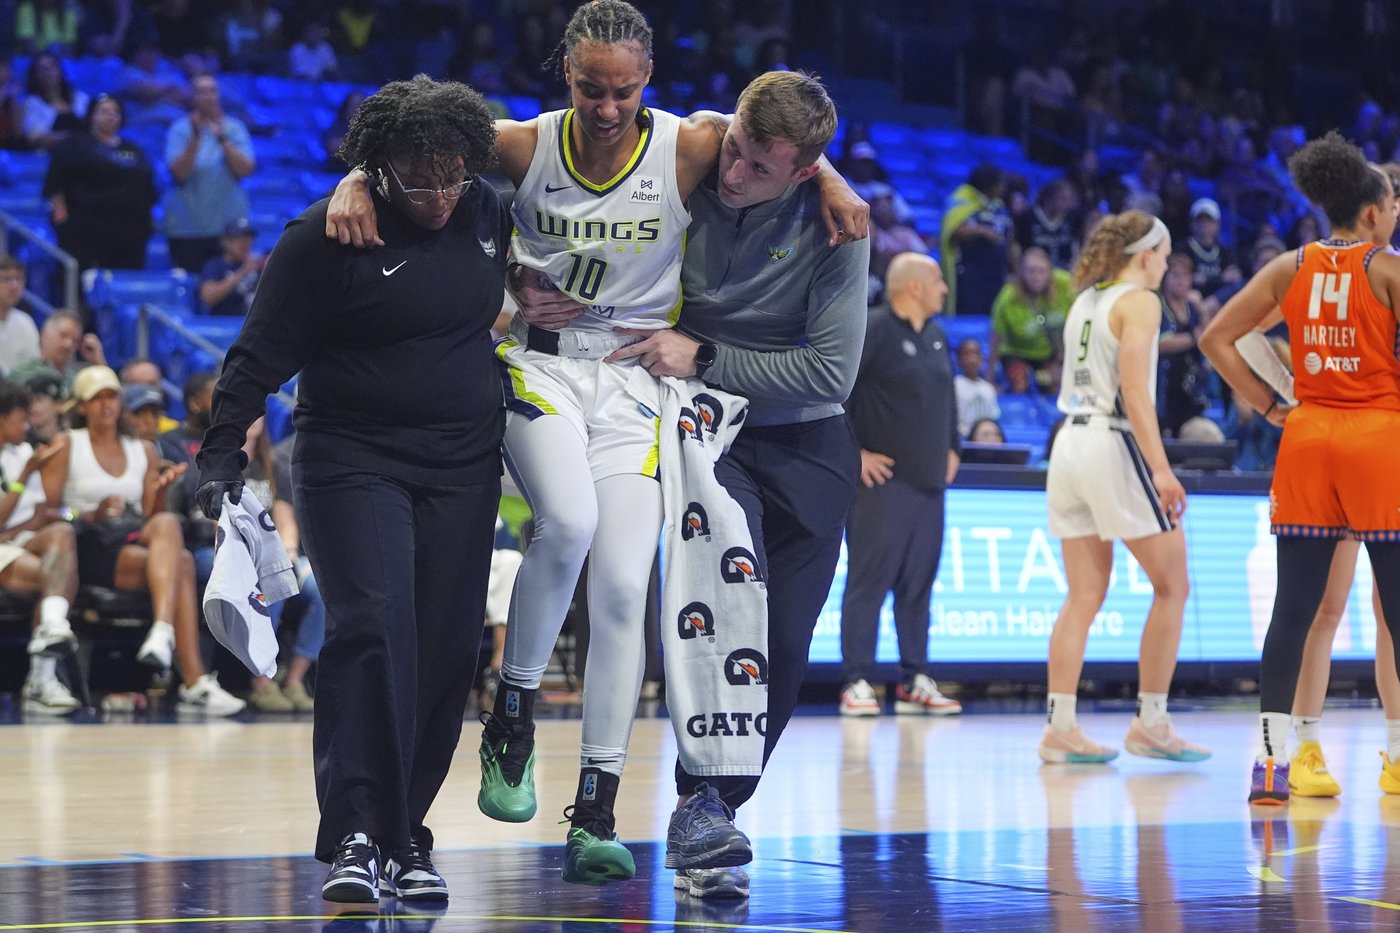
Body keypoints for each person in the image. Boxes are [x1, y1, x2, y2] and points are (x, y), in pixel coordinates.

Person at [324, 6, 866, 892]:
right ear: (563, 73)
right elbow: (410, 134)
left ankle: (599, 808)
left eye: (624, 90)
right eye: (590, 88)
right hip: (541, 370)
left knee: (625, 581)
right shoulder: (523, 143)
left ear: (647, 80)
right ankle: (513, 711)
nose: (608, 106)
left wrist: (832, 180)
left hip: (638, 382)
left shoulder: (694, 144)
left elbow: (773, 137)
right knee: (567, 523)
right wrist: (355, 179)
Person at [519, 71, 868, 899]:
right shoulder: (698, 163)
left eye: (760, 167)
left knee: (783, 650)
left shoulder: (837, 225)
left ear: (802, 170)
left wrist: (703, 352)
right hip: (712, 435)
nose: (734, 173)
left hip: (811, 443)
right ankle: (705, 809)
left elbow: (831, 372)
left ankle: (709, 808)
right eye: (737, 150)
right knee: (724, 613)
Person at [195, 76, 508, 903]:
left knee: (446, 650)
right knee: (374, 628)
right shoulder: (327, 236)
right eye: (420, 176)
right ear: (378, 166)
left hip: (464, 463)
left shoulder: (485, 210)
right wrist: (220, 451)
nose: (440, 192)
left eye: (455, 173)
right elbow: (255, 355)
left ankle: (409, 833)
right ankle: (358, 833)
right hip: (353, 458)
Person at [1199, 131, 1400, 805]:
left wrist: (1266, 401)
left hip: (1308, 438)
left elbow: (1215, 336)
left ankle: (1269, 763)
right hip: (1378, 437)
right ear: (1371, 212)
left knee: (1294, 610)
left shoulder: (1290, 266)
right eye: (1393, 206)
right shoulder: (1388, 267)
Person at [1039, 210, 1210, 765]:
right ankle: (1152, 722)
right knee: (1174, 585)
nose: (1166, 266)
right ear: (1145, 254)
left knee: (1082, 595)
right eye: (1163, 256)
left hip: (1067, 445)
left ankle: (1060, 728)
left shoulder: (1086, 300)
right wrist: (1161, 468)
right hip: (1112, 442)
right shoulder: (1141, 301)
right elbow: (1137, 394)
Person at [37, 365, 243, 716]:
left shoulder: (143, 450)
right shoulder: (68, 444)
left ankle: (163, 636)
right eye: (97, 398)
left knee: (170, 537)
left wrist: (160, 494)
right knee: (180, 563)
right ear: (81, 406)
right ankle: (191, 680)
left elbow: (151, 518)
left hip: (131, 544)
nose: (106, 405)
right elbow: (46, 513)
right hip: (85, 547)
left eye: (112, 397)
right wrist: (88, 515)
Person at [838, 253, 963, 719]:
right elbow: (837, 392)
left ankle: (915, 679)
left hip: (930, 484)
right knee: (868, 583)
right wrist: (855, 454)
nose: (944, 289)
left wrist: (954, 448)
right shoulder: (873, 328)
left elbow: (947, 399)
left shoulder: (935, 337)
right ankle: (857, 680)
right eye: (937, 280)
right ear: (912, 286)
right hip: (883, 484)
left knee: (919, 587)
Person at [0, 378, 80, 715]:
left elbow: (44, 511)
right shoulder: (24, 460)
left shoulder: (24, 451)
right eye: (21, 418)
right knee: (58, 577)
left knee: (62, 533)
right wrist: (26, 475)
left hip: (21, 539)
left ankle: (52, 626)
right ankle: (41, 679)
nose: (28, 425)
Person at [43, 93, 158, 273]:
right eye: (104, 111)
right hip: (85, 231)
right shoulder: (74, 146)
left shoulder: (132, 150)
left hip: (129, 232)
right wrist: (62, 220)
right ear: (91, 115)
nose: (110, 116)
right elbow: (55, 186)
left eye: (115, 112)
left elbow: (146, 187)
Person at [163, 74, 255, 274]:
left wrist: (222, 139)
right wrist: (196, 137)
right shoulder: (179, 129)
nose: (207, 96)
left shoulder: (234, 128)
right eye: (201, 91)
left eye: (211, 90)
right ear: (193, 97)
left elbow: (245, 170)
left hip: (228, 229)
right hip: (187, 228)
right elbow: (179, 173)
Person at [990, 247, 1073, 393]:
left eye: (1042, 271)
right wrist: (989, 381)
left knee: (1054, 381)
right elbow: (996, 338)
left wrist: (1063, 358)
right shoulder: (1008, 298)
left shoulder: (1065, 284)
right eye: (1031, 271)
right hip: (1017, 353)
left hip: (1049, 353)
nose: (1036, 277)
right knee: (1020, 381)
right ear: (1021, 272)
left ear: (1050, 272)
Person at [940, 164, 1013, 316]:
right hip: (969, 273)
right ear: (988, 185)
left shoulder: (999, 205)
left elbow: (1009, 234)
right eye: (1000, 183)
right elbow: (952, 231)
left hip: (995, 271)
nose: (1003, 188)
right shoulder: (962, 199)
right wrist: (982, 231)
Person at [8, 309, 103, 393]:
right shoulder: (23, 372)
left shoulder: (75, 380)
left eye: (75, 340)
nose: (68, 344)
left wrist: (98, 362)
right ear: (43, 335)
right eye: (63, 335)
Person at [20, 52, 88, 150]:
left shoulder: (80, 97)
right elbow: (35, 139)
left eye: (53, 67)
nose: (49, 72)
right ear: (34, 75)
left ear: (60, 70)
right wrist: (74, 137)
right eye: (43, 69)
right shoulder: (31, 104)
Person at [196, 218, 263, 316]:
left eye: (248, 237)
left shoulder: (258, 265)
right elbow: (208, 298)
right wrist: (242, 273)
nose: (244, 243)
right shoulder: (215, 265)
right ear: (226, 241)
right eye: (238, 238)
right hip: (224, 324)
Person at [953, 337, 1000, 437]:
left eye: (976, 353)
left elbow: (993, 419)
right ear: (958, 359)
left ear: (981, 358)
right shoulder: (953, 386)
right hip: (961, 440)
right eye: (967, 354)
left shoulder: (988, 388)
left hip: (985, 442)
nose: (972, 359)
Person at [0, 257, 39, 377]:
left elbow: (35, 369)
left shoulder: (25, 322)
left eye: (19, 279)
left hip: (19, 393)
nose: (14, 286)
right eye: (6, 279)